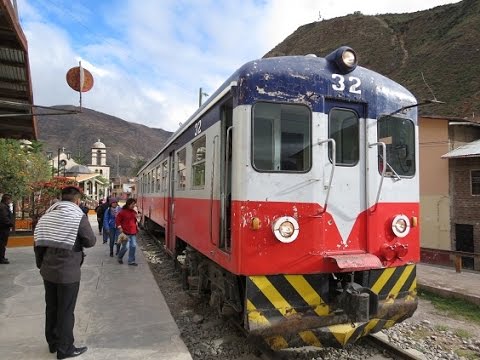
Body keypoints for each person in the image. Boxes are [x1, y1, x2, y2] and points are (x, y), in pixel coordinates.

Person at [34, 186, 96, 359]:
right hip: (68, 272)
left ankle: (53, 343)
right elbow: (90, 241)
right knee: (66, 310)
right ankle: (65, 349)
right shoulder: (78, 216)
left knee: (52, 307)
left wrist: (41, 265)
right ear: (77, 200)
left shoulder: (47, 215)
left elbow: (38, 243)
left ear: (62, 198)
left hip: (48, 270)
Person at [116, 198, 139, 266]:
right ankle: (120, 257)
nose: (134, 205)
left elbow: (135, 221)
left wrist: (137, 225)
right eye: (132, 204)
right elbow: (117, 220)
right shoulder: (122, 212)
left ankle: (131, 261)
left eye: (134, 204)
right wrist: (120, 228)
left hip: (133, 232)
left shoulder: (134, 212)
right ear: (128, 204)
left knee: (133, 246)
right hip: (125, 232)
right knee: (125, 247)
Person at [0, 194, 13, 264]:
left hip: (3, 228)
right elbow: (4, 217)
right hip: (3, 228)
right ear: (7, 200)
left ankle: (2, 257)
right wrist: (10, 224)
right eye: (10, 199)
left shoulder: (3, 206)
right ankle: (1, 258)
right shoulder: (3, 207)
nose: (11, 201)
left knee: (2, 243)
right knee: (2, 243)